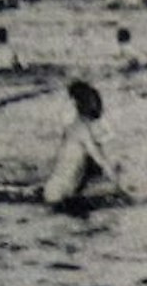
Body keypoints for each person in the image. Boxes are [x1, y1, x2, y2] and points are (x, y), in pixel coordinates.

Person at [42, 80, 125, 209]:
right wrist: (118, 185)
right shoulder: (80, 130)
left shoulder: (75, 128)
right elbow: (99, 159)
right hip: (59, 195)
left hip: (60, 191)